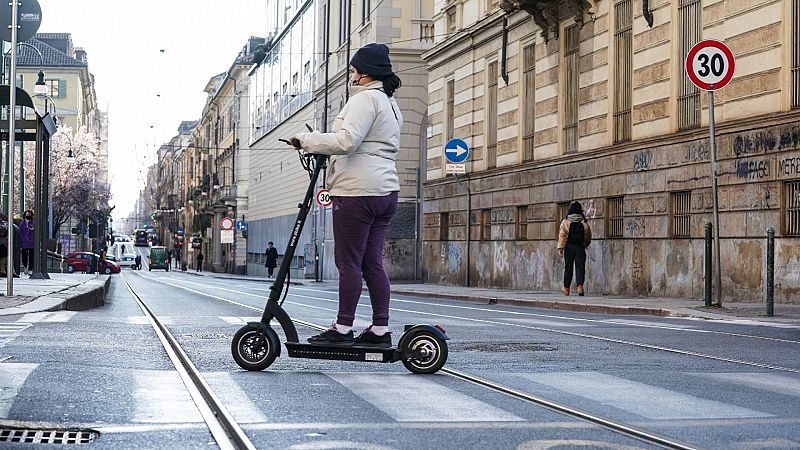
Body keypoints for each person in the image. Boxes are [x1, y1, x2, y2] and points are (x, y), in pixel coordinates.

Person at [290, 43, 402, 348]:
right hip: (386, 191)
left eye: (354, 70)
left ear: (365, 73)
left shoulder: (364, 99)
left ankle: (342, 328)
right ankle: (380, 329)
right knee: (372, 262)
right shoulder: (390, 102)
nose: (352, 75)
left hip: (357, 192)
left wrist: (307, 140)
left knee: (348, 262)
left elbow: (347, 141)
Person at [557, 201, 592, 296]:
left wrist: (560, 248)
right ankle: (580, 287)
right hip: (580, 247)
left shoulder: (566, 222)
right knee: (580, 268)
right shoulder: (584, 223)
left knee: (568, 268)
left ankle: (566, 288)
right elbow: (588, 236)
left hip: (569, 247)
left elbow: (562, 235)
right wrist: (584, 245)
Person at [20, 209, 34, 275]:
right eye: (27, 214)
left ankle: (30, 269)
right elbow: (20, 233)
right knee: (24, 256)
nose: (28, 216)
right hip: (24, 242)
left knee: (32, 257)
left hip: (32, 242)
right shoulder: (22, 224)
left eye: (29, 214)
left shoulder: (33, 223)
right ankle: (25, 267)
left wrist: (33, 229)